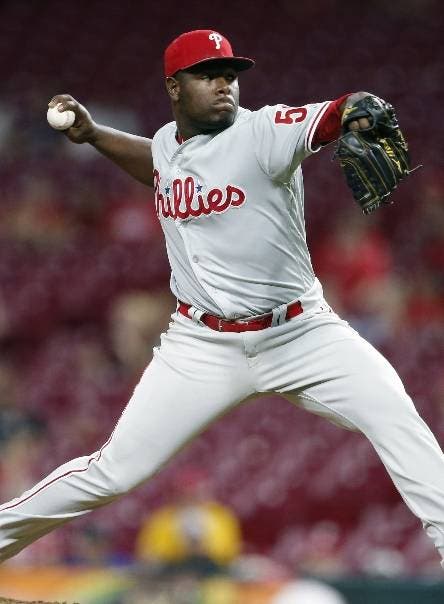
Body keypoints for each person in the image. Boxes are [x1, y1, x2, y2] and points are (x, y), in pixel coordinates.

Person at [1, 29, 444, 570]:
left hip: (301, 334)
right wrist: (95, 134)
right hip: (202, 344)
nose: (223, 85)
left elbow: (328, 116)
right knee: (111, 472)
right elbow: (160, 163)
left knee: (398, 420)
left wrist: (357, 110)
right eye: (208, 75)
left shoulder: (261, 132)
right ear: (174, 87)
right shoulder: (168, 141)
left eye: (230, 75)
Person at [135, 466, 242, 577]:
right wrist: (178, 549)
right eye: (186, 495)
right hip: (172, 573)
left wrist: (205, 549)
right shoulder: (161, 520)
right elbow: (149, 556)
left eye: (195, 494)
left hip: (212, 572)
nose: (191, 499)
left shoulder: (221, 516)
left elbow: (229, 553)